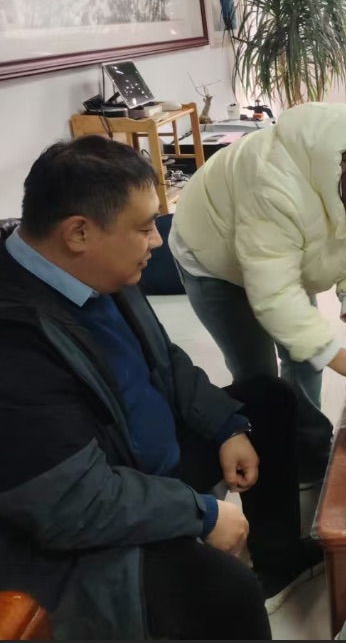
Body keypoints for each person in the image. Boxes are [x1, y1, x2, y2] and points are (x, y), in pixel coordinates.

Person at [0, 136, 325, 640]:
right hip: (84, 522)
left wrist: (225, 426)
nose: (156, 241)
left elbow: (165, 359)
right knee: (226, 593)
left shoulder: (99, 269)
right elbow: (73, 504)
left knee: (268, 399)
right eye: (144, 227)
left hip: (147, 461)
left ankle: (279, 561)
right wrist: (201, 514)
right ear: (79, 232)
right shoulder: (16, 339)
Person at [170, 104, 346, 483]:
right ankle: (270, 465)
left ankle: (306, 454)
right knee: (259, 377)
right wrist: (337, 357)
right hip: (214, 259)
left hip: (278, 259)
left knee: (305, 358)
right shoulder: (274, 182)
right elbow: (275, 293)